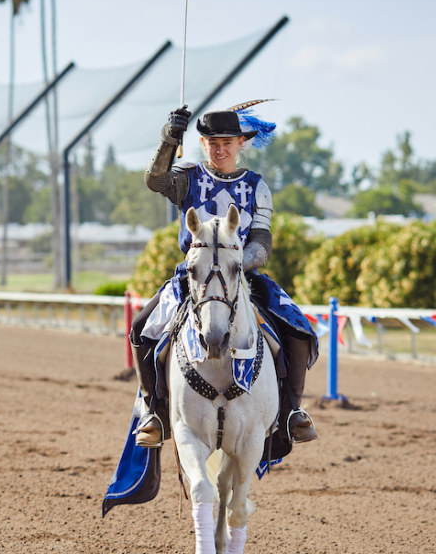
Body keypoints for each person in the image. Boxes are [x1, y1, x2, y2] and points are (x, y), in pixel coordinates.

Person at [129, 104, 319, 449]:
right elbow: (155, 179)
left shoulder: (257, 187)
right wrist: (169, 138)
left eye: (227, 142)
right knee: (142, 328)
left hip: (243, 275)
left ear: (241, 144)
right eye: (213, 143)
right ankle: (154, 413)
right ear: (203, 144)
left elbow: (261, 240)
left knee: (299, 329)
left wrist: (232, 265)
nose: (220, 149)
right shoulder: (186, 177)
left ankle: (292, 411)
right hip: (193, 277)